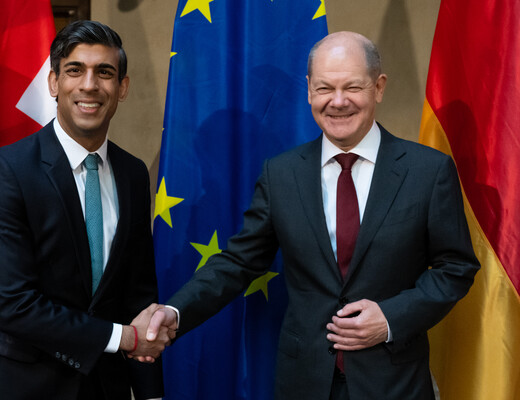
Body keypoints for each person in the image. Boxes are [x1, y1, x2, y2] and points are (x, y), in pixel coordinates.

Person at [142, 32, 480, 400]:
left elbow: (455, 267)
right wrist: (176, 311)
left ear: (379, 87)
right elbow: (239, 261)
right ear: (308, 91)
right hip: (304, 382)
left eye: (352, 87)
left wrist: (390, 318)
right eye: (324, 88)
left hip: (395, 381)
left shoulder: (428, 171)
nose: (338, 101)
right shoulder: (281, 174)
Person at [0, 21, 171, 400]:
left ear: (122, 88)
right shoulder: (7, 169)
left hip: (104, 388)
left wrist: (150, 394)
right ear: (54, 83)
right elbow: (15, 304)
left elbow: (138, 293)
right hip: (18, 386)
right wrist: (124, 337)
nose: (89, 85)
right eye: (75, 70)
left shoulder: (133, 173)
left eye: (104, 72)